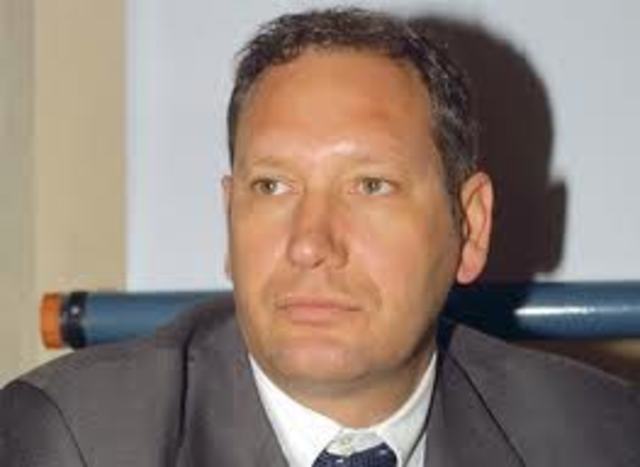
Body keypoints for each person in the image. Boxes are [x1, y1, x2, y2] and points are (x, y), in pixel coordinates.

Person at [1, 8, 638, 467]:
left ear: (470, 226)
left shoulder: (601, 438)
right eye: (273, 186)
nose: (310, 243)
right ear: (230, 218)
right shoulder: (70, 443)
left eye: (370, 186)